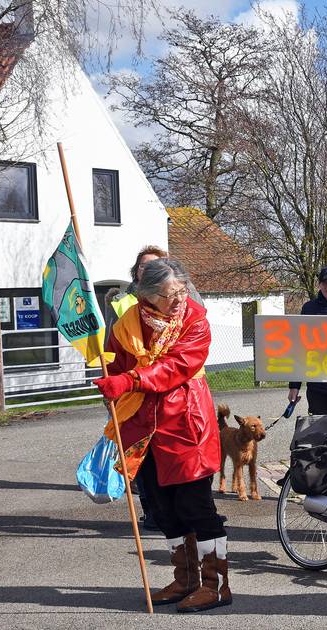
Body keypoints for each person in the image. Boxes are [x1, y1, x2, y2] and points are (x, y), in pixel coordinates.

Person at [92, 258, 232, 613]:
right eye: (171, 294)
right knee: (159, 505)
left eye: (182, 290)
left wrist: (131, 379)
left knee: (194, 505)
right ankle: (185, 580)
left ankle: (215, 586)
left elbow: (179, 366)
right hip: (143, 424)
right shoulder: (127, 323)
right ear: (149, 296)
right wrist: (112, 380)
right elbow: (118, 362)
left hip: (187, 424)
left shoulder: (195, 320)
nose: (179, 299)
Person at [105, 245, 169, 532]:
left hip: (168, 393)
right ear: (137, 271)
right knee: (139, 456)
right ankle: (152, 512)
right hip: (132, 392)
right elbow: (110, 349)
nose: (150, 270)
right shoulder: (122, 303)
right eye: (145, 266)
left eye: (156, 265)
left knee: (167, 456)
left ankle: (178, 511)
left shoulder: (176, 299)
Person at [287, 264, 327, 414]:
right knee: (320, 431)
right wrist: (294, 385)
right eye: (325, 283)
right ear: (319, 285)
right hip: (318, 386)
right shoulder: (309, 309)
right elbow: (301, 347)